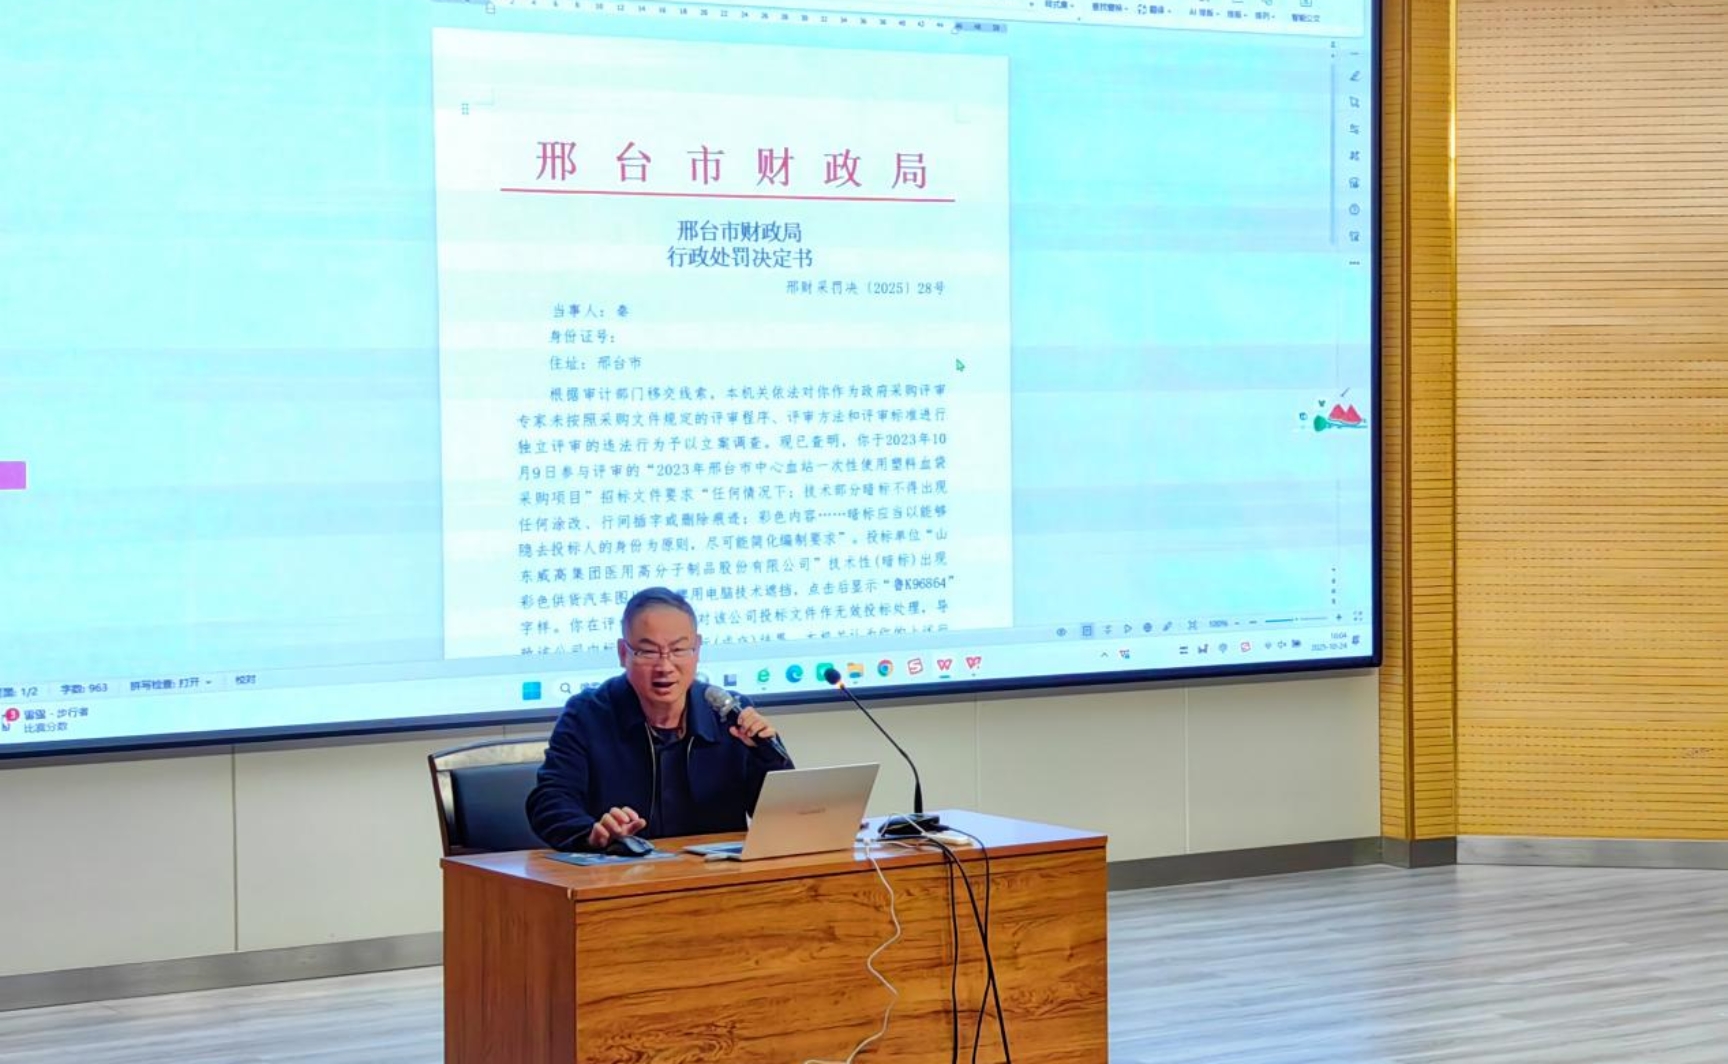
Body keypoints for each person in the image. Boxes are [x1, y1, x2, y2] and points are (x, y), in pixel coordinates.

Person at [527, 586, 793, 851]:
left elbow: (785, 814)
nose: (665, 666)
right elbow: (550, 800)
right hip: (622, 871)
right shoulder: (587, 714)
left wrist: (767, 755)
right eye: (649, 652)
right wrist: (592, 833)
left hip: (715, 871)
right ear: (623, 653)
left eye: (679, 650)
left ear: (697, 649)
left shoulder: (730, 715)